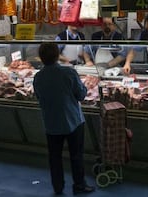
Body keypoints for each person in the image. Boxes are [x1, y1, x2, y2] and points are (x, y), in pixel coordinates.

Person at [33, 43, 95, 195]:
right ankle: (79, 186)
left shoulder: (38, 77)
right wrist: (86, 86)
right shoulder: (68, 72)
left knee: (54, 157)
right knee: (76, 155)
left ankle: (58, 187)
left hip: (51, 123)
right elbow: (80, 95)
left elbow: (39, 97)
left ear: (41, 58)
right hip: (73, 121)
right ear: (56, 56)